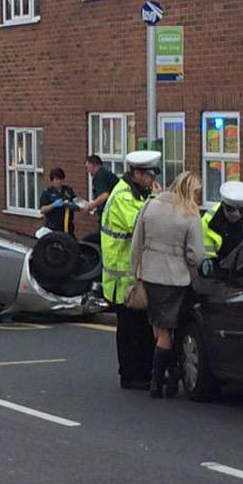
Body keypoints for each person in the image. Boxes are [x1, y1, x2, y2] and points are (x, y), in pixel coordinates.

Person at [130, 172, 205, 398]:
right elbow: (195, 255)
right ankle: (157, 380)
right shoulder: (191, 214)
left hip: (150, 275)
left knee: (159, 328)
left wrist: (136, 272)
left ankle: (169, 376)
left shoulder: (150, 205)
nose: (198, 197)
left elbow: (137, 241)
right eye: (197, 192)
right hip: (174, 279)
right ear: (190, 190)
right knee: (167, 332)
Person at [100, 150, 161, 390]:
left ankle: (143, 372)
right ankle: (130, 375)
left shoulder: (139, 193)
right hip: (121, 279)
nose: (153, 179)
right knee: (129, 330)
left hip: (134, 276)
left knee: (142, 329)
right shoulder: (123, 196)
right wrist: (157, 202)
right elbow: (141, 225)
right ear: (136, 174)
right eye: (150, 175)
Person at [201, 181, 243, 261]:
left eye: (242, 210)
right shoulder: (209, 222)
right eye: (231, 209)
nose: (236, 214)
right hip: (222, 263)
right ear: (223, 205)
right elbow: (209, 257)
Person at [82, 155, 120, 244]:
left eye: (87, 167)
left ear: (93, 164)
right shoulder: (105, 174)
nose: (87, 171)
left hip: (110, 215)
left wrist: (91, 206)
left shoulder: (100, 175)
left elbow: (104, 195)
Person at [39, 168, 79, 236]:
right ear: (52, 180)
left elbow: (77, 206)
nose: (59, 181)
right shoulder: (47, 192)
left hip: (68, 228)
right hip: (53, 228)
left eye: (61, 179)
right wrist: (53, 205)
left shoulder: (68, 190)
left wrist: (73, 205)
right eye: (57, 179)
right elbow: (42, 210)